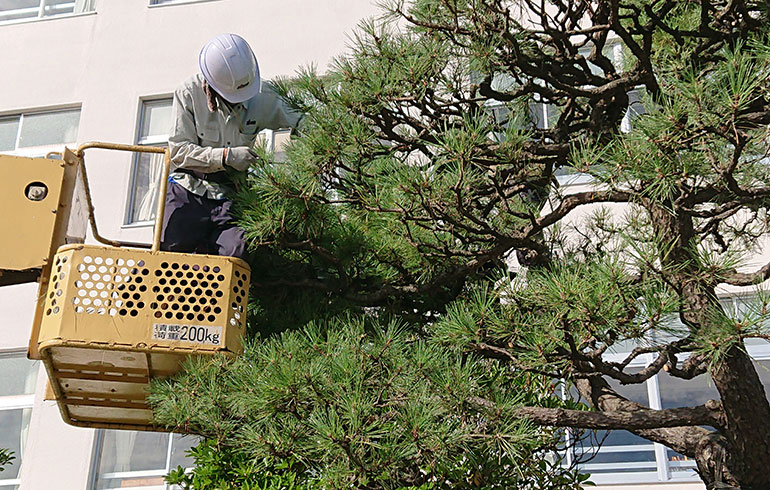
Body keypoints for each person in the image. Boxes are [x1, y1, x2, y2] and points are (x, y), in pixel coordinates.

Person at [161, 33, 300, 258]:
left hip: (230, 195)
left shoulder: (262, 96)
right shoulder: (188, 93)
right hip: (187, 190)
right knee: (170, 253)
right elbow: (178, 151)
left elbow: (303, 120)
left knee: (236, 252)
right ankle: (132, 293)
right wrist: (225, 156)